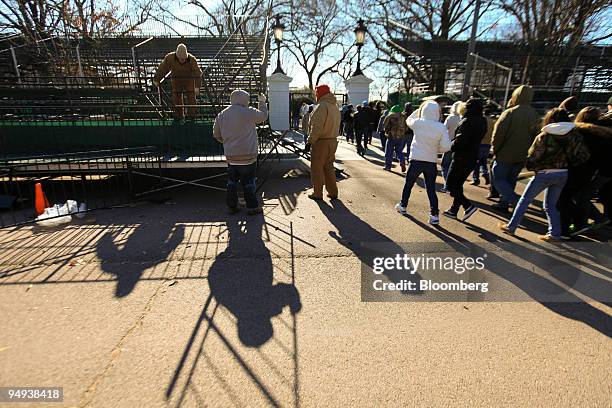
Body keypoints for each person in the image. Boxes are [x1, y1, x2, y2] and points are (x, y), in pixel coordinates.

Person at [498, 108, 588, 241]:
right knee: (551, 205)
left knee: (524, 201)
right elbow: (583, 155)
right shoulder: (574, 136)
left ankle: (511, 227)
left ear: (551, 119)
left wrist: (534, 168)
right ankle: (555, 233)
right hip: (563, 174)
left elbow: (533, 155)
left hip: (544, 173)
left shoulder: (545, 135)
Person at [558, 107, 612, 236]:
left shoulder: (583, 132)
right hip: (600, 171)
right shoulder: (603, 133)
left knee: (578, 197)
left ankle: (581, 224)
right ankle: (588, 221)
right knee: (581, 196)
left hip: (590, 171)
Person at [395, 101, 451, 225]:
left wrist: (419, 110)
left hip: (416, 159)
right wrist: (437, 149)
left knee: (408, 184)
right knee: (431, 189)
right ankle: (434, 214)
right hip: (431, 161)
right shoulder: (441, 127)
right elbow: (446, 146)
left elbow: (409, 119)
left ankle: (403, 205)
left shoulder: (418, 123)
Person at [213, 90, 268, 215]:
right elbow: (263, 116)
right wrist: (262, 102)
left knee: (231, 182)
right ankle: (252, 207)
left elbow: (216, 134)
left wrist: (226, 142)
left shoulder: (222, 114)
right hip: (248, 156)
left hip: (231, 157)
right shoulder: (249, 112)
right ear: (244, 99)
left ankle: (232, 206)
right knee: (249, 182)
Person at [490, 85, 540, 212]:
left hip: (505, 153)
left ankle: (514, 200)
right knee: (511, 180)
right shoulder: (535, 115)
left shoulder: (510, 112)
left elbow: (498, 134)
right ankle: (504, 203)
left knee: (498, 178)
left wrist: (495, 149)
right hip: (523, 154)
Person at [444, 98, 487, 222]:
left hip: (460, 156)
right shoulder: (482, 121)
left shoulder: (467, 121)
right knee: (458, 185)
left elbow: (460, 141)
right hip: (472, 157)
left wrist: (450, 145)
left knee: (451, 185)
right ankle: (453, 210)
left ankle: (468, 206)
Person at [306, 84, 341, 200]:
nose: (316, 95)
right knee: (329, 167)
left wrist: (310, 141)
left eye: (316, 93)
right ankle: (333, 192)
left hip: (321, 142)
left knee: (317, 168)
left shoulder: (322, 106)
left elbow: (317, 127)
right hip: (332, 141)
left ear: (319, 93)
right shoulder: (334, 107)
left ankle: (317, 193)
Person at [153, 43, 202, 124]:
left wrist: (197, 86)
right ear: (177, 56)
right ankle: (178, 116)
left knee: (191, 98)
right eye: (181, 59)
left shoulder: (192, 59)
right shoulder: (169, 58)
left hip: (189, 80)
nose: (183, 60)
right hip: (176, 80)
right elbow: (162, 68)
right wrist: (156, 79)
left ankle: (192, 116)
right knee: (176, 98)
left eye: (184, 59)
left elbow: (197, 73)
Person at [441, 101, 463, 192]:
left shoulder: (450, 118)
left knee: (445, 165)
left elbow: (443, 130)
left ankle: (448, 185)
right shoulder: (462, 118)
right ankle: (453, 186)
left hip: (449, 144)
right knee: (454, 167)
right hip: (460, 145)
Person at [470, 105, 495, 185]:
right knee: (483, 161)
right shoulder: (493, 122)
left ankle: (476, 179)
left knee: (476, 162)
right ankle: (485, 173)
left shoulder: (481, 120)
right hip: (488, 144)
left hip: (479, 143)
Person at [382, 105, 407, 172]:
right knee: (399, 151)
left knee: (389, 152)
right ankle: (402, 162)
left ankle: (388, 167)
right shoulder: (404, 117)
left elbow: (384, 125)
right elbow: (406, 127)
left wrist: (386, 131)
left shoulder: (390, 116)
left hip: (391, 136)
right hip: (400, 137)